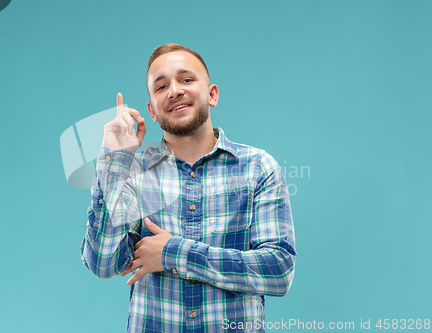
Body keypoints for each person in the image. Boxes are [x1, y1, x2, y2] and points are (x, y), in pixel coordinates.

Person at [80, 43, 296, 332]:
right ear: (152, 112)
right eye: (161, 87)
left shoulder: (258, 167)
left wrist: (174, 253)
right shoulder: (133, 173)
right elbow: (104, 265)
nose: (174, 91)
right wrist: (115, 162)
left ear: (212, 94)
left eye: (186, 80)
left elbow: (278, 271)